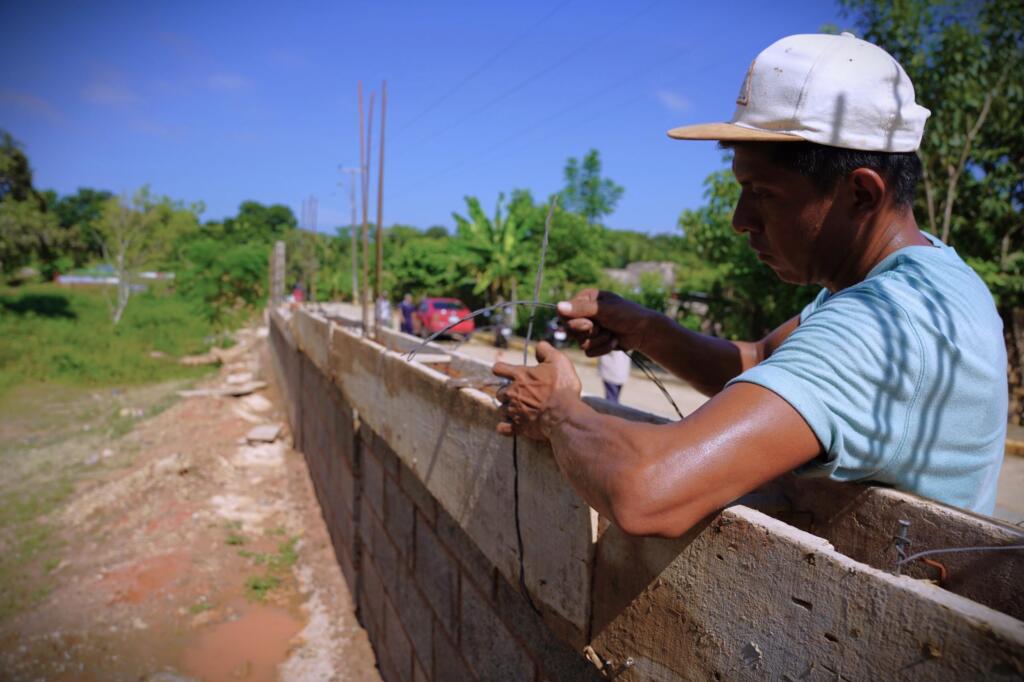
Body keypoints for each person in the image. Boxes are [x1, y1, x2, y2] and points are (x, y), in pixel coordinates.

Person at [493, 32, 1006, 537]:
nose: (741, 220)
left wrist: (557, 413)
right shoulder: (924, 276)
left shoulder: (887, 323)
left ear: (861, 193)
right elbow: (763, 361)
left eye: (762, 192)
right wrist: (648, 331)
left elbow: (647, 490)